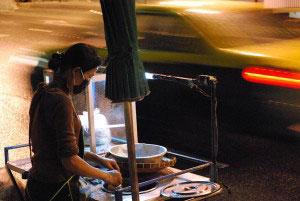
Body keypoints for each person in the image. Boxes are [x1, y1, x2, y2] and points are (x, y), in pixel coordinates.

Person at [25, 43, 122, 201]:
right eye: (89, 77)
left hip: (37, 185)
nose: (88, 82)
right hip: (55, 190)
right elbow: (69, 160)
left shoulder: (43, 91)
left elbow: (59, 148)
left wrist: (99, 159)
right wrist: (107, 177)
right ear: (76, 71)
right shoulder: (61, 101)